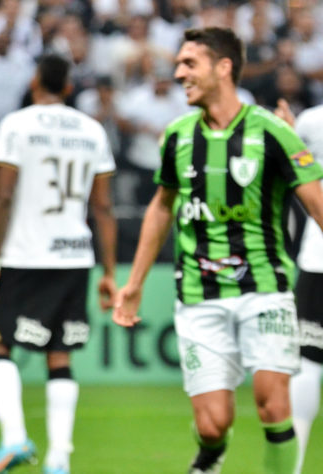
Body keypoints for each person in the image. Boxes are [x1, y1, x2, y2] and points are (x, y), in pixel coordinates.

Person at [113, 27, 323, 474]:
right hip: (199, 295)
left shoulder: (272, 132)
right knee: (212, 424)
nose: (178, 73)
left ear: (223, 68)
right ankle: (210, 453)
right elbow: (161, 207)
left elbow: (317, 203)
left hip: (264, 288)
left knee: (273, 404)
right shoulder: (176, 136)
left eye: (189, 63)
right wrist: (133, 284)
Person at [0, 54, 118, 474]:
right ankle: (59, 458)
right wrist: (110, 272)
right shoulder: (91, 130)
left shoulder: (17, 125)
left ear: (35, 80)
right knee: (60, 355)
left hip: (26, 254)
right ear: (70, 86)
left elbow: (2, 197)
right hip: (76, 255)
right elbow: (104, 208)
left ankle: (15, 438)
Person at [289, 104, 323, 474]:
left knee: (309, 361)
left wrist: (289, 134)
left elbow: (294, 180)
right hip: (317, 255)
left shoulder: (312, 121)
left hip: (318, 256)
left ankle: (295, 465)